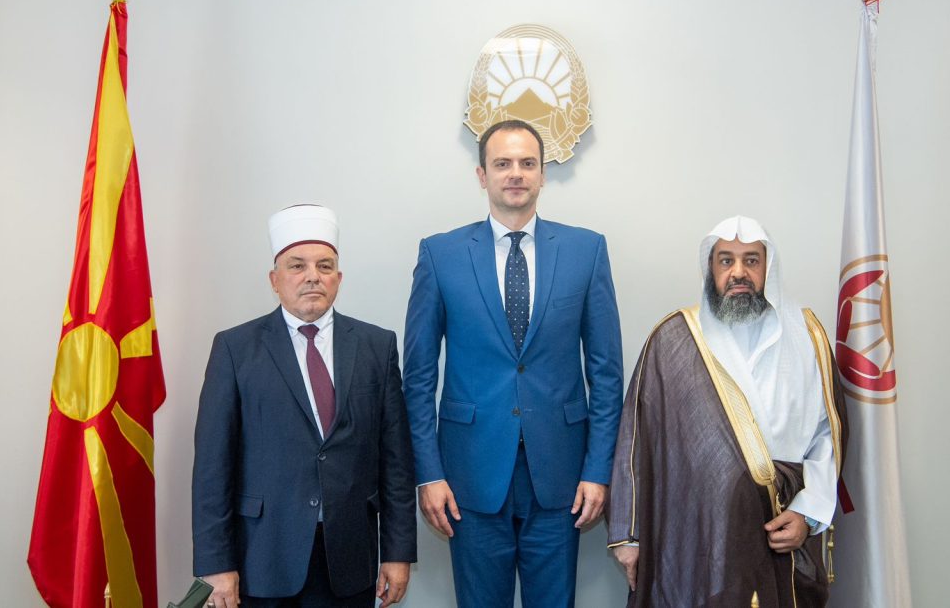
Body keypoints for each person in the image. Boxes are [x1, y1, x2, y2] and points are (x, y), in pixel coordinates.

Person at [402, 120, 624, 607]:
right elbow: (417, 379)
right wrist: (429, 474)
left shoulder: (586, 251)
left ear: (543, 174)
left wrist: (598, 470)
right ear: (482, 175)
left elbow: (607, 375)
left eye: (527, 163)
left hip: (562, 477)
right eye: (502, 163)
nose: (516, 174)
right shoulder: (440, 255)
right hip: (469, 477)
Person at [607, 216, 848, 607]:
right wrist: (628, 537)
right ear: (710, 268)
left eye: (751, 260)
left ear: (769, 268)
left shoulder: (807, 337)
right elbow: (635, 442)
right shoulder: (674, 339)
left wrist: (808, 513)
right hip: (698, 537)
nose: (738, 272)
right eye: (726, 261)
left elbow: (827, 437)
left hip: (781, 526)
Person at [192, 204, 416, 608]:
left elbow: (396, 461)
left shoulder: (376, 346)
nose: (313, 275)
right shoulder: (235, 349)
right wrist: (216, 564)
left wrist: (398, 553)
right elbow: (212, 466)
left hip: (350, 557)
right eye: (297, 266)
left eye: (324, 266)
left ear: (338, 279)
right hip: (263, 558)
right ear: (274, 280)